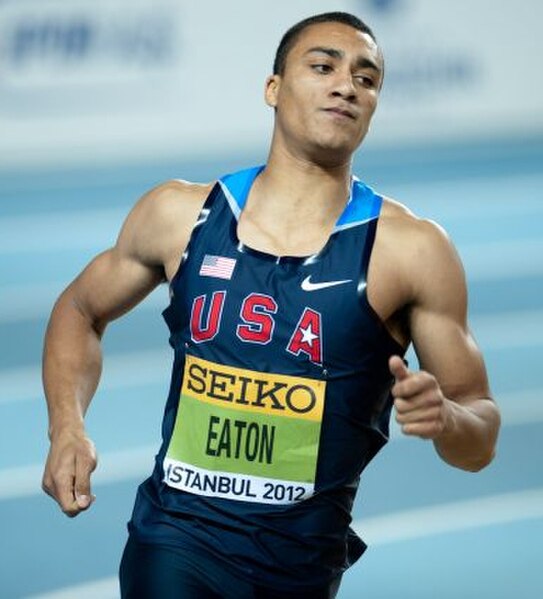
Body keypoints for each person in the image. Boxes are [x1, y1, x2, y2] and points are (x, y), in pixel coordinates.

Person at [41, 11, 501, 599]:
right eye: (323, 66)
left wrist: (447, 419)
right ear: (273, 88)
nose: (346, 85)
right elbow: (80, 309)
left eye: (367, 78)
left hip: (302, 569)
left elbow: (479, 437)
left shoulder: (410, 251)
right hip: (175, 542)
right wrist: (67, 428)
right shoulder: (179, 215)